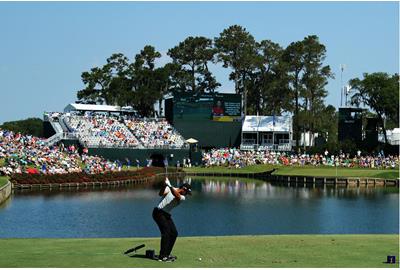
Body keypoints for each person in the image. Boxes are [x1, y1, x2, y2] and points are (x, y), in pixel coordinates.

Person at [152, 178, 192, 262]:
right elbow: (160, 194)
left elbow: (176, 195)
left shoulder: (182, 197)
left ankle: (166, 254)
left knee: (174, 233)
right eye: (187, 192)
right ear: (183, 189)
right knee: (166, 232)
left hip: (166, 215)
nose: (187, 194)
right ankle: (162, 256)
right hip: (158, 213)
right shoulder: (170, 189)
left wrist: (169, 185)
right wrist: (164, 185)